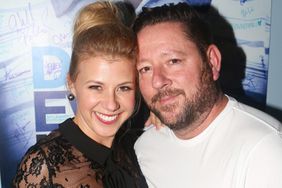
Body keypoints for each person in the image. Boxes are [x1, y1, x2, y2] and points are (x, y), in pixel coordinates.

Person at [133, 2, 282, 188]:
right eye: (145, 69)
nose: (158, 81)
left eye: (173, 61)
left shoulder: (264, 150)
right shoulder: (143, 148)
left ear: (212, 62)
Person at [12, 1, 148, 187]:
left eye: (123, 88)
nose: (111, 104)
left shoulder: (137, 145)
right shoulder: (44, 165)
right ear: (72, 84)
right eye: (96, 87)